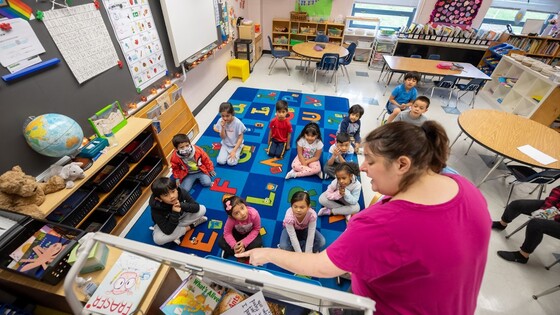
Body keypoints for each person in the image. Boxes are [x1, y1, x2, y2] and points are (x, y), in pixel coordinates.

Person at [237, 121, 491, 315]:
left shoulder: (381, 223)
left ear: (402, 164)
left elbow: (320, 267)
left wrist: (267, 254)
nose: (362, 167)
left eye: (369, 159)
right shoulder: (466, 188)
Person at [493, 185, 560, 264]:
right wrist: (546, 210)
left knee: (536, 224)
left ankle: (522, 256)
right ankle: (502, 224)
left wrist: (554, 216)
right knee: (517, 205)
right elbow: (557, 192)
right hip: (556, 209)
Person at [149, 177, 207, 246]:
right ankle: (190, 226)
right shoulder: (156, 209)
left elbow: (196, 207)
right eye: (166, 195)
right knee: (158, 239)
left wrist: (182, 205)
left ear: (176, 188)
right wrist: (175, 213)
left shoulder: (181, 191)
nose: (172, 196)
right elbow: (168, 231)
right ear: (159, 199)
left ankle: (176, 234)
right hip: (168, 222)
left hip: (182, 217)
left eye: (173, 191)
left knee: (202, 209)